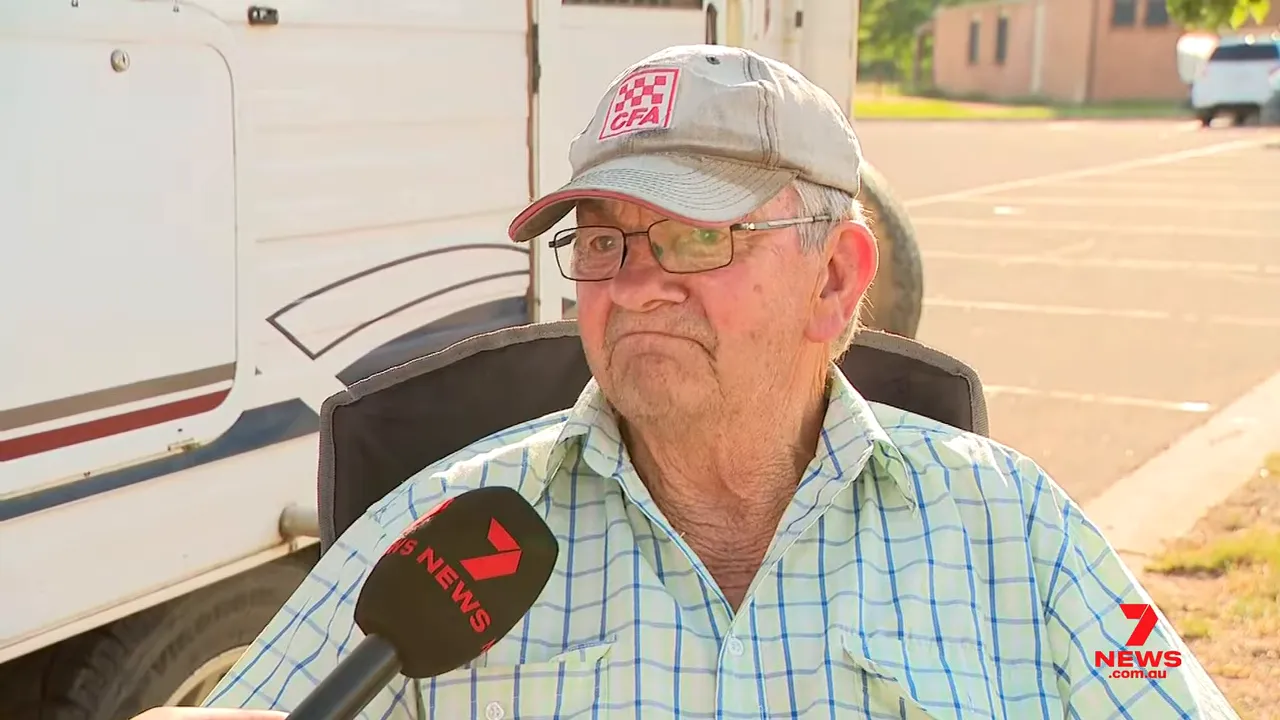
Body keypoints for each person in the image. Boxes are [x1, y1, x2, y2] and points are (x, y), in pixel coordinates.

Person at [135, 44, 1237, 719]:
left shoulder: (1010, 526)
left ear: (835, 279)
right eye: (604, 240)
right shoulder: (443, 534)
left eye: (694, 237)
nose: (634, 284)